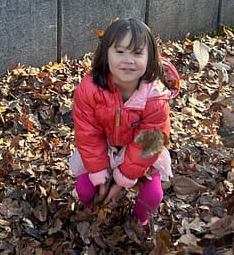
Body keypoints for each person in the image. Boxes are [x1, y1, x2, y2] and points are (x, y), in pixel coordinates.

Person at [68, 18, 179, 228]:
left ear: (150, 58)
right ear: (106, 55)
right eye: (120, 52)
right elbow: (88, 134)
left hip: (139, 154)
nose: (128, 60)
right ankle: (91, 215)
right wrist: (100, 175)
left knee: (153, 195)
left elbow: (151, 143)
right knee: (85, 188)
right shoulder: (90, 89)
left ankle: (139, 222)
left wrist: (123, 179)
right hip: (104, 148)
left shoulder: (155, 97)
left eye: (137, 53)